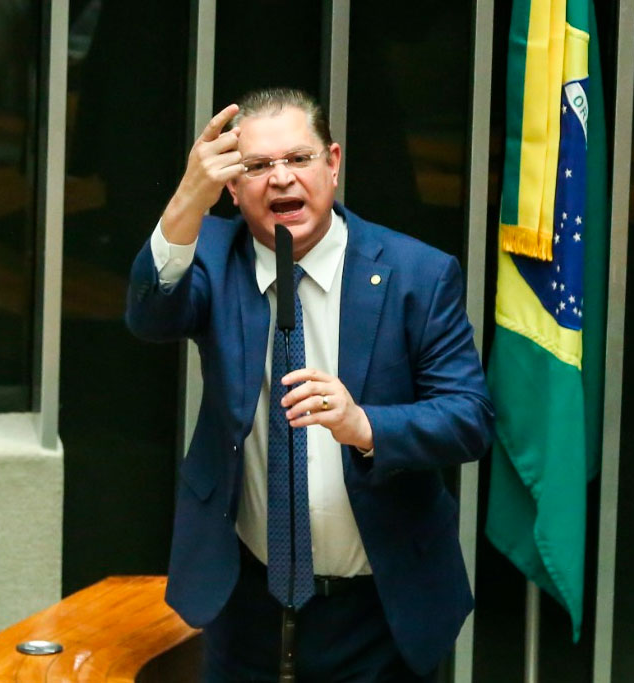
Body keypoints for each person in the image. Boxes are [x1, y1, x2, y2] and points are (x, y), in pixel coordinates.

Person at [125, 87, 493, 682]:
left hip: (378, 608)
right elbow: (150, 316)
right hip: (243, 599)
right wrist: (188, 196)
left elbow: (469, 418)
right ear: (233, 188)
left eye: (298, 159)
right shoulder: (214, 256)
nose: (281, 179)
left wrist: (364, 424)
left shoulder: (417, 274)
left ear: (333, 163)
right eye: (257, 167)